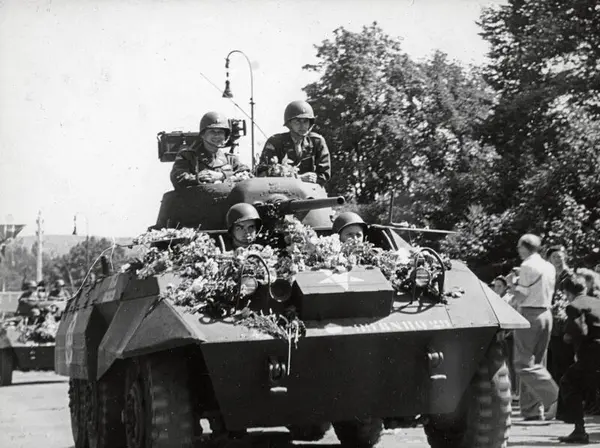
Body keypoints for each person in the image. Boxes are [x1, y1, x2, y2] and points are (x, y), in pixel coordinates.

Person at [510, 233, 559, 421]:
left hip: (529, 314)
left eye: (519, 247)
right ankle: (532, 409)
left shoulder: (526, 265)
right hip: (546, 313)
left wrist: (511, 285)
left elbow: (522, 295)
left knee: (523, 363)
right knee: (537, 364)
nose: (518, 250)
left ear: (525, 247)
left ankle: (555, 395)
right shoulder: (549, 266)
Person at [557, 274, 600, 443]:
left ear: (568, 293)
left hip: (592, 353)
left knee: (568, 382)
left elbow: (578, 331)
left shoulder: (573, 306)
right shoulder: (597, 302)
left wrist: (567, 336)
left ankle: (579, 430)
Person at [257, 100, 331, 187]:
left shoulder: (317, 142)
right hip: (281, 190)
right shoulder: (275, 142)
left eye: (305, 121)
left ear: (310, 124)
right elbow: (263, 173)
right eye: (297, 121)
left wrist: (314, 178)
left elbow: (324, 174)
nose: (302, 126)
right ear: (289, 124)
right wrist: (298, 178)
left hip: (310, 190)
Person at [170, 112, 249, 189]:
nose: (217, 135)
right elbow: (178, 178)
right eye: (212, 131)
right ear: (202, 135)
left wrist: (222, 175)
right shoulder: (187, 156)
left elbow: (248, 175)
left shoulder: (230, 159)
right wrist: (201, 178)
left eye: (221, 132)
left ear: (225, 136)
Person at [546, 245, 575, 398]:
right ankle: (558, 398)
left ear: (565, 257)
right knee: (554, 364)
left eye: (559, 256)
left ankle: (567, 398)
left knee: (565, 362)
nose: (557, 259)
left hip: (565, 325)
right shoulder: (551, 276)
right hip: (553, 326)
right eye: (554, 257)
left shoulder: (569, 276)